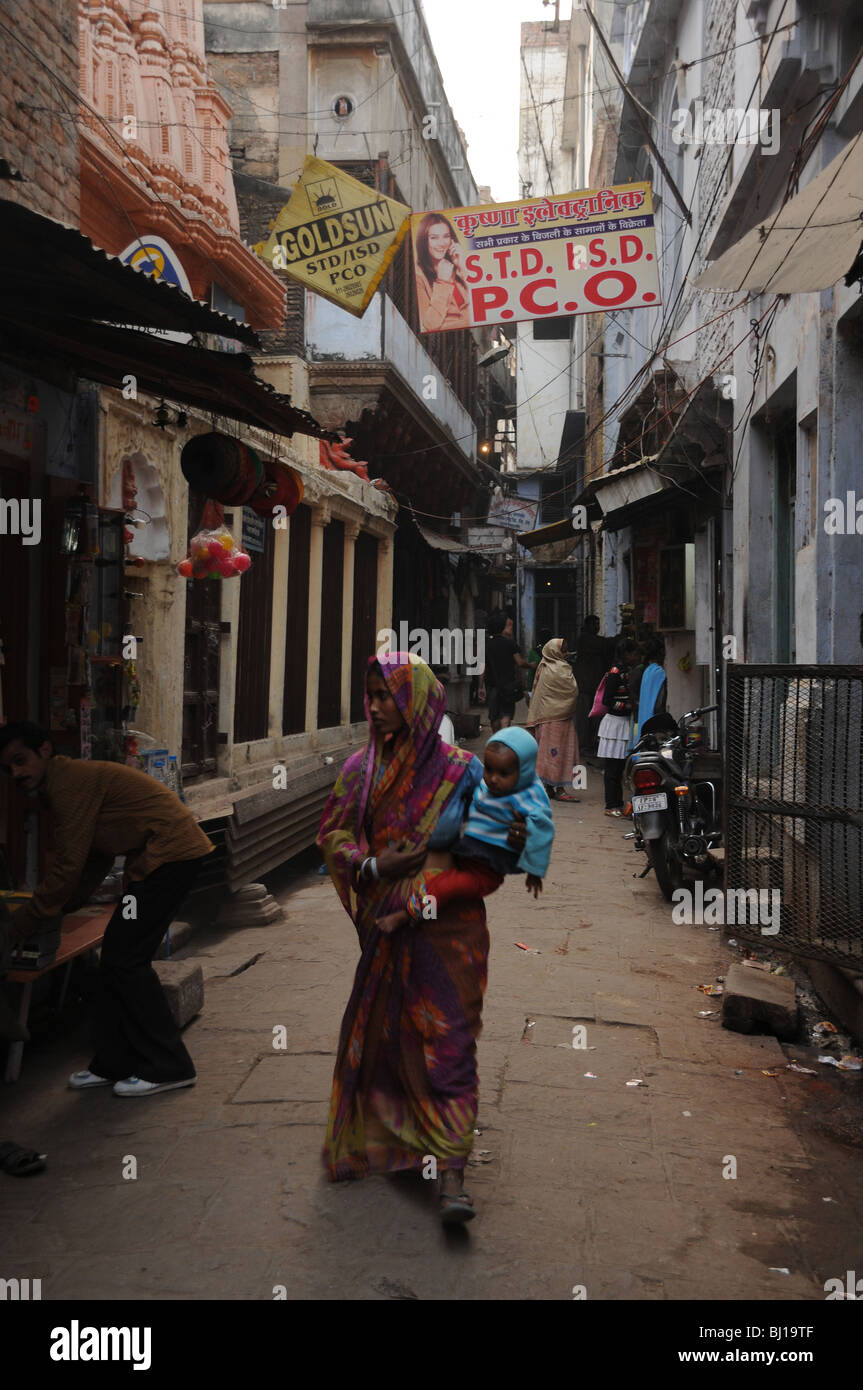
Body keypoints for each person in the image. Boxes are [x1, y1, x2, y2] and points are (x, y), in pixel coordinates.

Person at [316, 653, 528, 1225]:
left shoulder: (464, 772)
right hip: (386, 923)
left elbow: (491, 856)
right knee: (388, 1037)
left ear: (420, 702)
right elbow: (333, 834)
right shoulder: (360, 773)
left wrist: (511, 840)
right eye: (372, 696)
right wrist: (371, 867)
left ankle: (453, 1173)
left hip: (450, 930)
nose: (378, 707)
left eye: (388, 695)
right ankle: (404, 1143)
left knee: (450, 1041)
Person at [0, 722, 213, 1097]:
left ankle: (169, 1066)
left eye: (20, 761)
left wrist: (28, 918)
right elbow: (95, 857)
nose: (16, 773)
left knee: (126, 960)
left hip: (170, 858)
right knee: (113, 960)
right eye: (7, 768)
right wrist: (66, 907)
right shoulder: (61, 785)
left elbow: (68, 862)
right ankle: (113, 1063)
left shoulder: (68, 783)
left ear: (45, 750)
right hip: (155, 863)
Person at [378, 726, 555, 934]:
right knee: (442, 888)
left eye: (503, 773)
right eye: (489, 770)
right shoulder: (483, 784)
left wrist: (533, 868)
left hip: (484, 869)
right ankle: (421, 915)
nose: (493, 779)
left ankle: (408, 915)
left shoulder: (527, 795)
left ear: (524, 771)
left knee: (443, 888)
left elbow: (542, 831)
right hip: (463, 855)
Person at [525, 637, 580, 801]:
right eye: (564, 650)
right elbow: (572, 691)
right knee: (558, 752)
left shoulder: (543, 667)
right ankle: (559, 789)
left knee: (551, 753)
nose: (566, 653)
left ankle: (550, 787)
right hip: (558, 720)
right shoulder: (561, 668)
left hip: (547, 718)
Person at [597, 640, 639, 816]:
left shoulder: (625, 672)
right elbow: (607, 701)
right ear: (626, 653)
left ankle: (618, 803)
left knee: (619, 768)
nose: (635, 657)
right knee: (613, 769)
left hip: (623, 725)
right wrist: (626, 706)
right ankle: (611, 805)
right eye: (633, 653)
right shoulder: (615, 673)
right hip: (614, 725)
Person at [414, 213, 472, 333]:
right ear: (424, 241)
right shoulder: (419, 276)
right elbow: (430, 324)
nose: (441, 243)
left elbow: (480, 306)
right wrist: (442, 283)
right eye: (434, 238)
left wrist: (462, 267)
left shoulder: (455, 268)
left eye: (446, 236)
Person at [574, 615, 613, 755]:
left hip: (595, 687)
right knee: (585, 718)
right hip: (585, 687)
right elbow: (604, 644)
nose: (597, 627)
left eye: (598, 623)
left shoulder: (594, 641)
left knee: (595, 718)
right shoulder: (585, 639)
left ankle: (590, 744)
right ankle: (584, 746)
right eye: (594, 624)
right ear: (588, 626)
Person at [484, 611, 529, 732]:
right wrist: (531, 665)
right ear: (502, 627)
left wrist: (480, 687)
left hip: (492, 685)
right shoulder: (510, 643)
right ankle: (504, 738)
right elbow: (520, 663)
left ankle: (496, 739)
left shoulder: (487, 645)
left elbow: (482, 668)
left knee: (494, 716)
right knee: (506, 714)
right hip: (508, 685)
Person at [631, 635, 668, 745]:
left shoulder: (647, 671)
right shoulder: (659, 672)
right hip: (654, 725)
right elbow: (659, 704)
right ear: (661, 652)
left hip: (644, 724)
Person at [526, 627, 552, 693]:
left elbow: (531, 673)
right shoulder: (555, 652)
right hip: (552, 688)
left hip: (538, 688)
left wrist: (528, 690)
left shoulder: (533, 652)